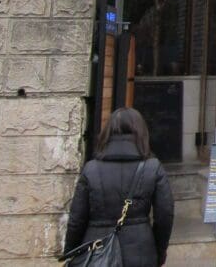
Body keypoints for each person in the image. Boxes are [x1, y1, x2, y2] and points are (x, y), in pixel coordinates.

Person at [64, 108, 174, 266]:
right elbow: (165, 215)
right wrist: (158, 250)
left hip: (96, 252)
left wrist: (71, 251)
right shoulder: (153, 167)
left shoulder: (91, 169)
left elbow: (77, 220)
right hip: (141, 250)